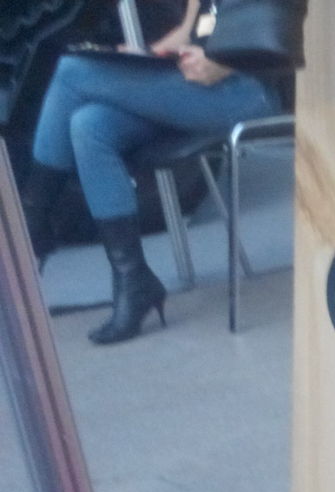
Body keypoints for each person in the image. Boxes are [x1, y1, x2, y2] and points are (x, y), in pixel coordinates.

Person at [18, 1, 279, 344]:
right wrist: (145, 56)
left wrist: (226, 61)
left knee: (72, 71)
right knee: (89, 125)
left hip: (249, 88)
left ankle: (30, 229)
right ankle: (133, 279)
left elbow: (286, 29)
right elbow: (187, 32)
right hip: (195, 84)